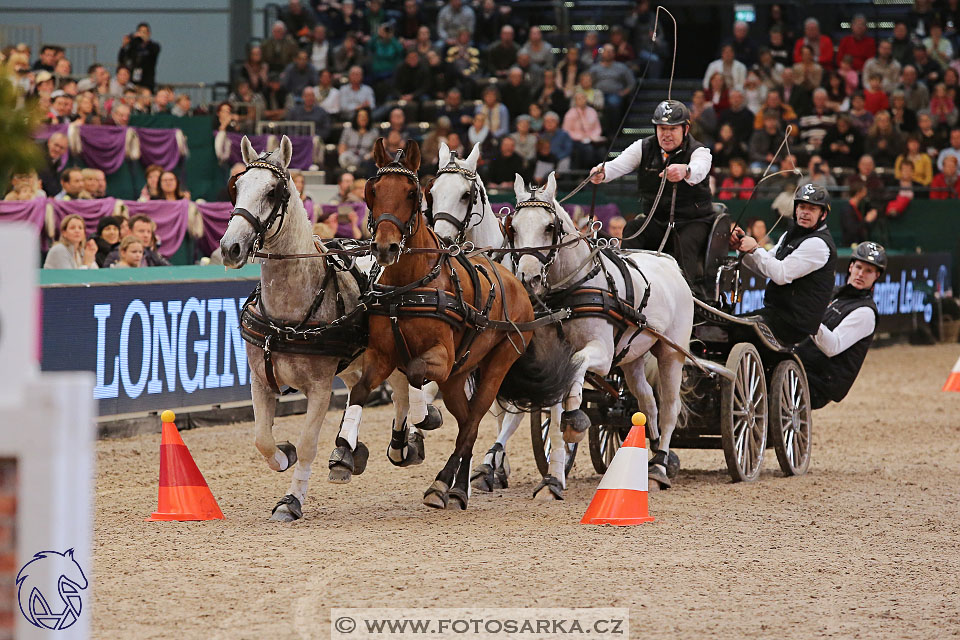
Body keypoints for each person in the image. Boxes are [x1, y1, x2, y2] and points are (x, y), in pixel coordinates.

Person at [592, 100, 715, 289]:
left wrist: (685, 170)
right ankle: (630, 286)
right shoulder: (642, 147)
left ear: (685, 129)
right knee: (632, 230)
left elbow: (700, 168)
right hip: (657, 220)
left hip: (693, 221)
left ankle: (689, 296)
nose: (666, 134)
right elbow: (617, 165)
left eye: (672, 129)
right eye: (661, 128)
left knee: (685, 244)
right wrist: (602, 172)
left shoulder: (699, 151)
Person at [732, 183, 837, 346]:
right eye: (802, 206)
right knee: (731, 323)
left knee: (733, 330)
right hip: (776, 314)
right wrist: (742, 249)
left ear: (823, 214)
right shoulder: (791, 233)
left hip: (793, 323)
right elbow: (765, 267)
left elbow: (780, 275)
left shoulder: (818, 244)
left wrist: (755, 248)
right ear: (795, 209)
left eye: (812, 209)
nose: (805, 212)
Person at [796, 242, 886, 409]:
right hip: (801, 364)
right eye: (859, 267)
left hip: (819, 381)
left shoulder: (865, 313)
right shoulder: (835, 293)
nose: (861, 274)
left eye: (869, 271)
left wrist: (811, 316)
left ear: (877, 276)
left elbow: (833, 346)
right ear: (851, 267)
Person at [104, 215, 171, 267]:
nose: (146, 235)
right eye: (141, 231)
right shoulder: (116, 254)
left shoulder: (152, 254)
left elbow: (170, 270)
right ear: (130, 232)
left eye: (149, 232)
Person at [117, 22, 161, 90]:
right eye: (140, 32)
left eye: (144, 32)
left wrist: (145, 39)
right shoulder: (133, 45)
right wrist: (124, 46)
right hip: (132, 82)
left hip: (147, 83)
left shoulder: (153, 46)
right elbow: (121, 59)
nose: (142, 34)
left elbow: (155, 51)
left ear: (149, 33)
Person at [839, 179, 878, 244]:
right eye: (864, 192)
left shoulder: (861, 207)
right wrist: (866, 221)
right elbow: (852, 230)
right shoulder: (847, 210)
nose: (865, 195)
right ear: (858, 193)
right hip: (850, 245)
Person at [338, 107, 376, 172]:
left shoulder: (374, 132)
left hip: (365, 160)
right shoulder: (348, 131)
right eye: (360, 116)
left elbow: (376, 150)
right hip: (349, 158)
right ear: (356, 118)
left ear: (368, 118)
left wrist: (368, 156)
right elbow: (341, 148)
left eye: (365, 116)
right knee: (343, 158)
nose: (363, 118)